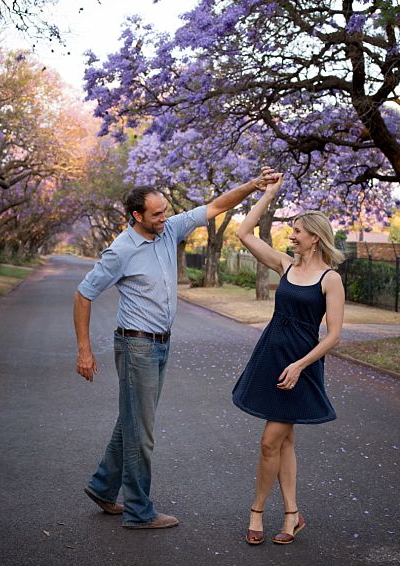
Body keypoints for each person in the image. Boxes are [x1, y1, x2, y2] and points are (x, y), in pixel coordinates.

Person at [74, 168, 279, 529]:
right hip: (136, 345)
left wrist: (252, 185)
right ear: (137, 216)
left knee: (132, 422)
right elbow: (83, 294)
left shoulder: (169, 230)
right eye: (156, 213)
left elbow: (215, 207)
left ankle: (103, 486)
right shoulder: (120, 251)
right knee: (142, 433)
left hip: (159, 346)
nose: (164, 217)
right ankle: (138, 511)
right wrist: (84, 351)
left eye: (165, 210)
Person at [233, 174, 344, 545]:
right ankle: (293, 515)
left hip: (301, 366)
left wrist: (300, 365)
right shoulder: (285, 265)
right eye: (292, 230)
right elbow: (245, 233)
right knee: (284, 442)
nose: (291, 236)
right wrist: (269, 193)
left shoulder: (330, 280)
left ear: (315, 237)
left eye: (297, 231)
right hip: (271, 357)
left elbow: (333, 336)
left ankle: (257, 512)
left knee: (270, 441)